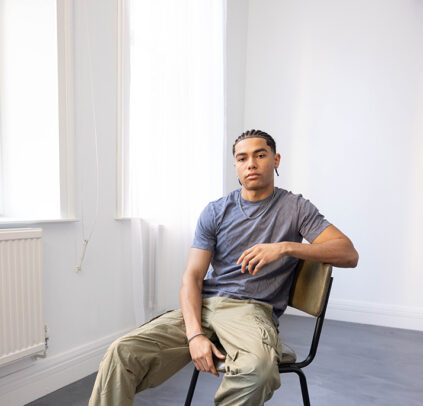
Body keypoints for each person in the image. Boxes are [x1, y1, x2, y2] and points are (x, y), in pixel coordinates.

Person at [89, 129, 359, 406]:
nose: (251, 164)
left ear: (276, 160)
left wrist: (284, 248)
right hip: (205, 306)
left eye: (260, 155)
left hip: (251, 310)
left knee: (258, 372)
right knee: (122, 352)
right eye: (242, 158)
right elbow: (192, 277)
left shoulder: (296, 207)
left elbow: (348, 254)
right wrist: (195, 335)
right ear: (235, 165)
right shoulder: (216, 211)